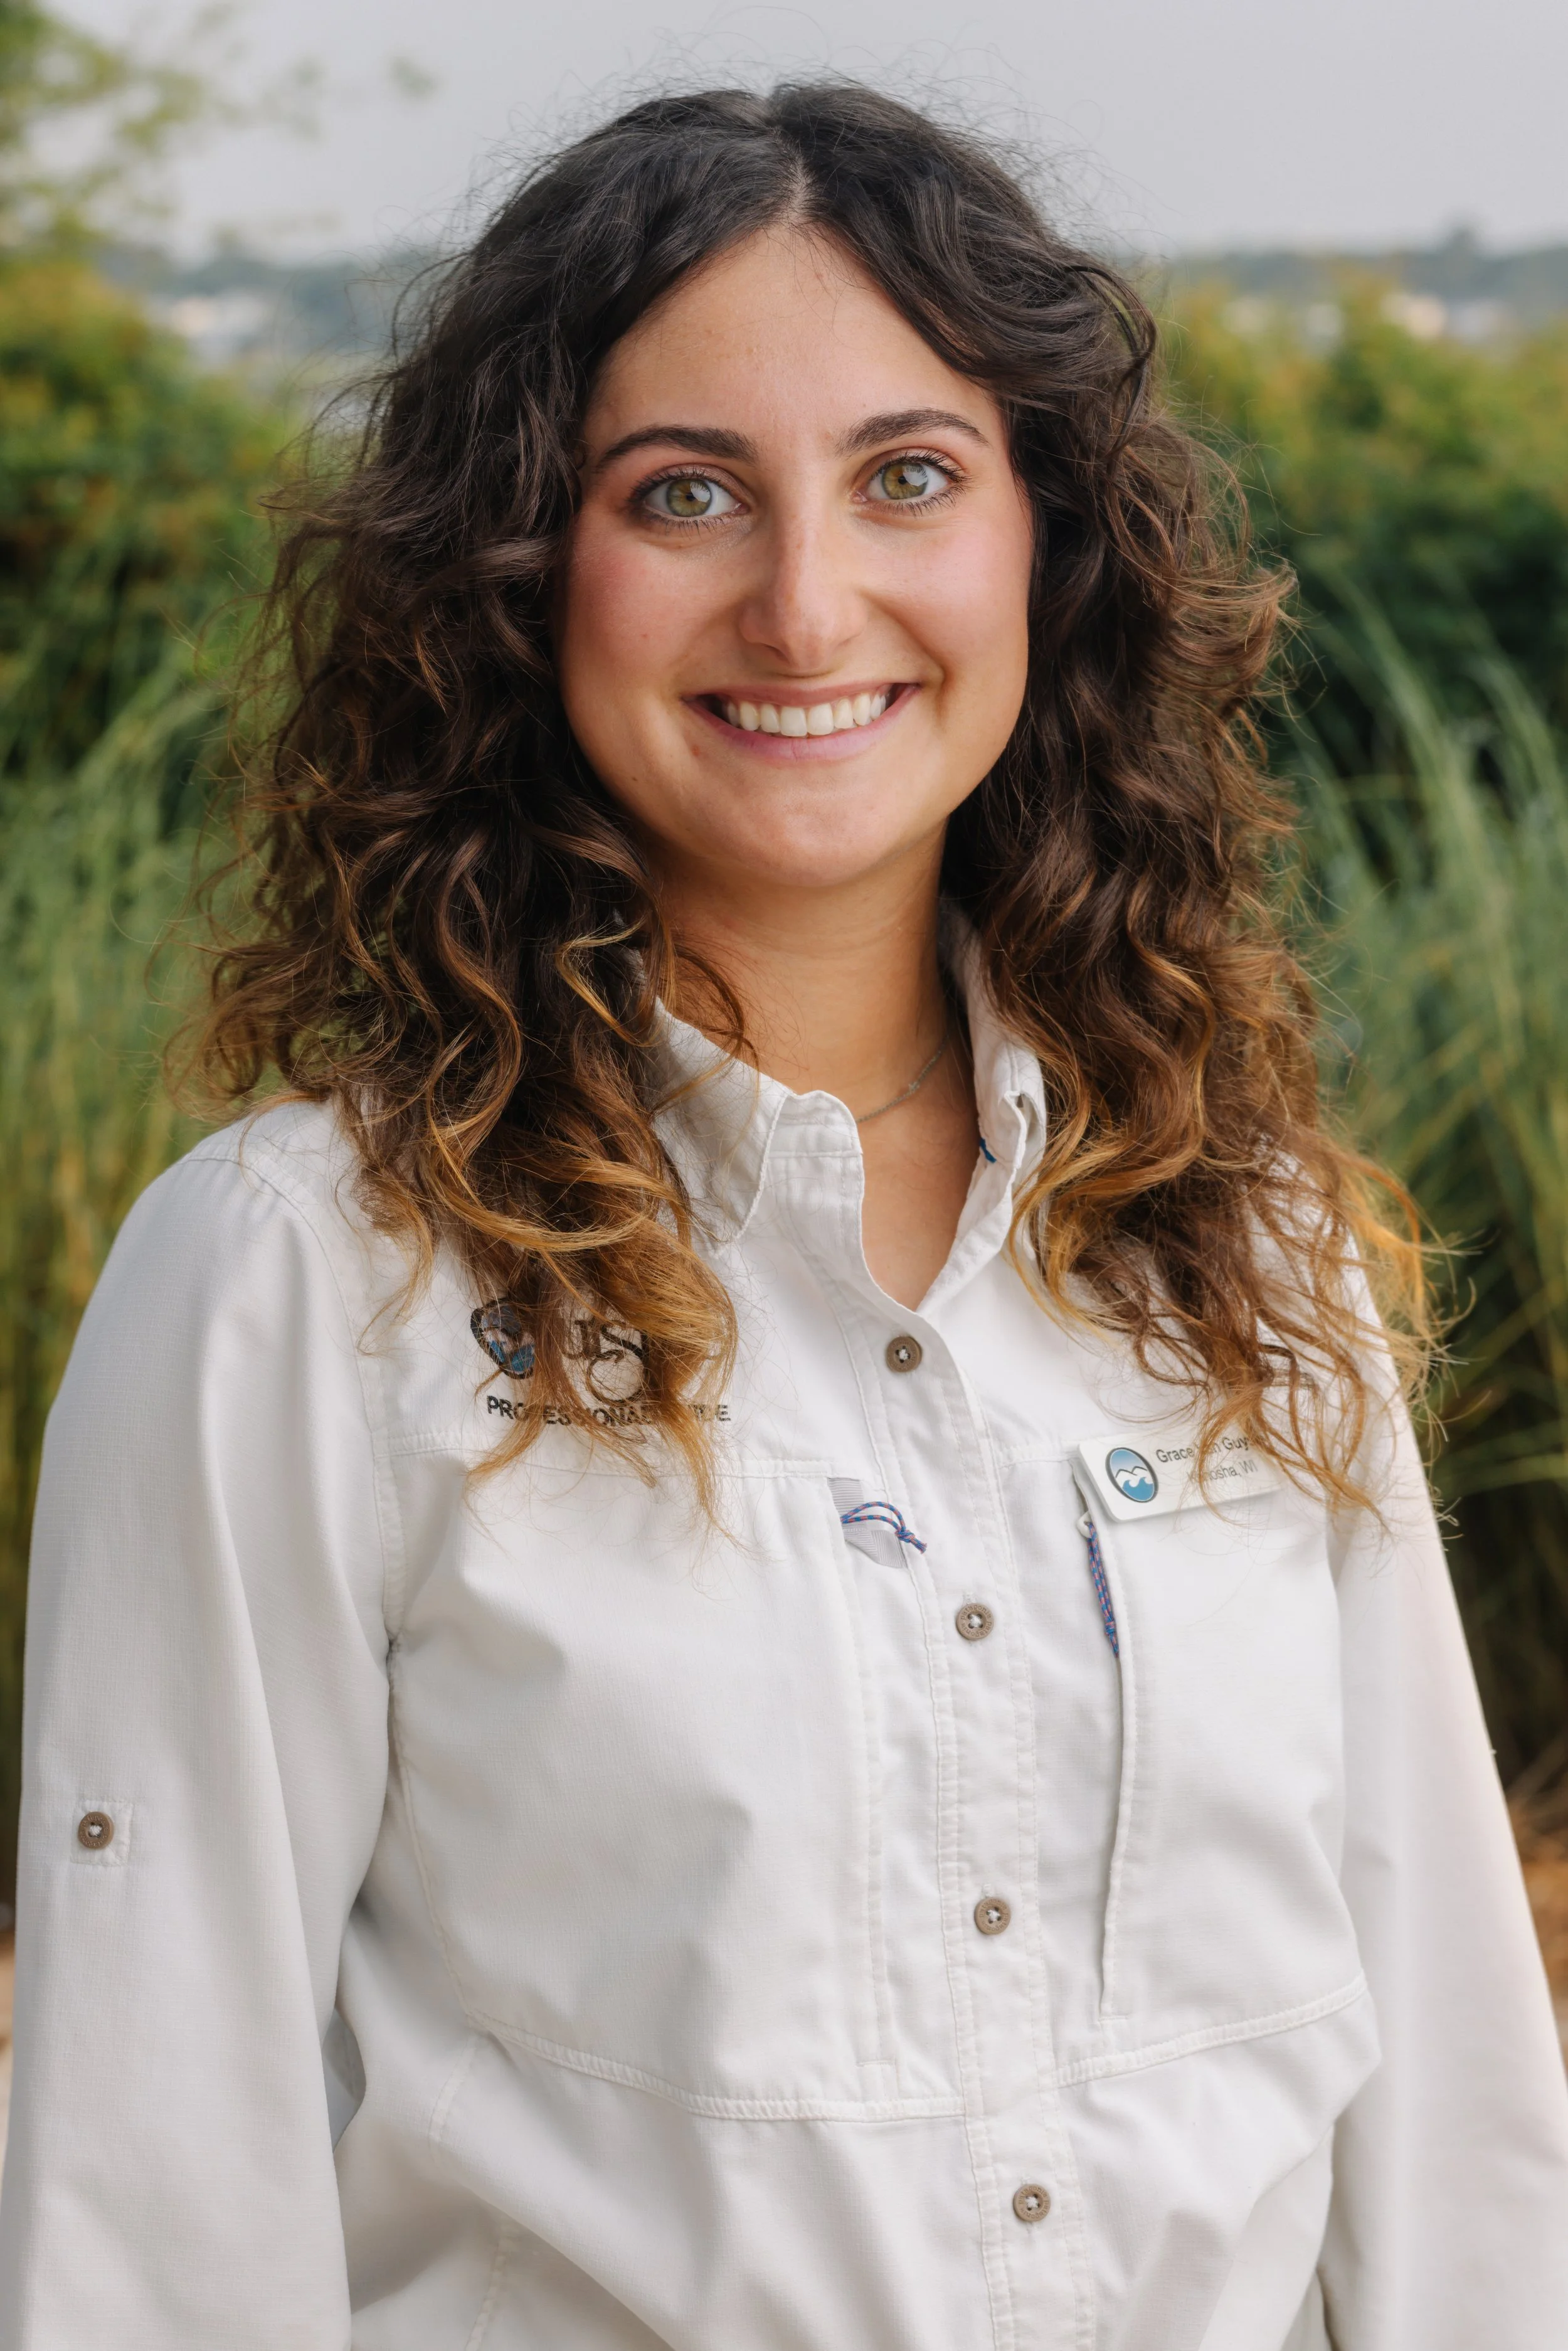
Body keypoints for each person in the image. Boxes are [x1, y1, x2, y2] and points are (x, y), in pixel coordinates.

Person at [1, 82, 1564, 2351]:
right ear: (528, 574)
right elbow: (155, 2186)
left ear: (1045, 544)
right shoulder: (298, 1280)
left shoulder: (1253, 1245)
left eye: (907, 476)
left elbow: (1446, 2112)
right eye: (683, 494)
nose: (806, 599)